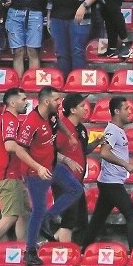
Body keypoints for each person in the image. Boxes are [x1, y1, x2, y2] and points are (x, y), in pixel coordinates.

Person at [19, 87, 83, 261]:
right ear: (46, 101)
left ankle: (49, 215)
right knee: (38, 211)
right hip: (36, 172)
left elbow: (58, 122)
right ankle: (30, 251)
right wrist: (37, 167)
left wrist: (69, 135)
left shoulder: (52, 114)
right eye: (56, 100)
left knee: (76, 189)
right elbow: (20, 150)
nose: (59, 102)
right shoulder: (31, 123)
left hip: (53, 165)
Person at [78, 97, 133, 250]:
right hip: (111, 183)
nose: (129, 111)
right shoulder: (112, 130)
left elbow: (122, 156)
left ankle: (83, 249)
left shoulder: (119, 131)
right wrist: (125, 165)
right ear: (117, 111)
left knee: (98, 219)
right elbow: (104, 152)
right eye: (126, 108)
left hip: (108, 182)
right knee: (132, 215)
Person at [0, 88, 29, 253]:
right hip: (7, 175)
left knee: (23, 213)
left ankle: (23, 249)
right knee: (10, 216)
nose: (26, 102)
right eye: (23, 99)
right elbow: (10, 146)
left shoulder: (1, 120)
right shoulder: (10, 120)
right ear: (12, 102)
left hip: (10, 174)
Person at [54, 93, 93, 243]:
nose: (86, 109)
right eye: (82, 106)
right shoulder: (62, 128)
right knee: (69, 220)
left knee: (81, 221)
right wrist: (67, 160)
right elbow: (50, 152)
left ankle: (53, 243)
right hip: (63, 180)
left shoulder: (82, 129)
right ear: (73, 109)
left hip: (77, 182)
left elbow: (83, 151)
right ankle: (65, 254)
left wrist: (99, 141)